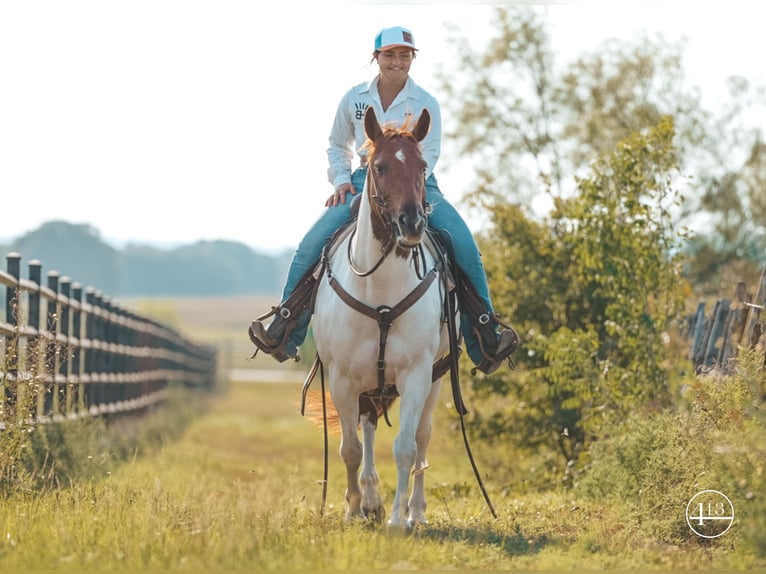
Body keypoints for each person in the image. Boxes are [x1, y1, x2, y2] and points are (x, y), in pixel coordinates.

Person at [249, 26, 518, 375]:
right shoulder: (354, 99)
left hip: (417, 184)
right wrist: (343, 181)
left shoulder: (426, 103)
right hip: (364, 179)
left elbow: (430, 152)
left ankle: (486, 337)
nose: (397, 62)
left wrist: (410, 185)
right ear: (376, 58)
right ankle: (284, 330)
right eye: (389, 55)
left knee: (462, 243)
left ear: (412, 59)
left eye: (404, 56)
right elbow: (336, 144)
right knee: (310, 244)